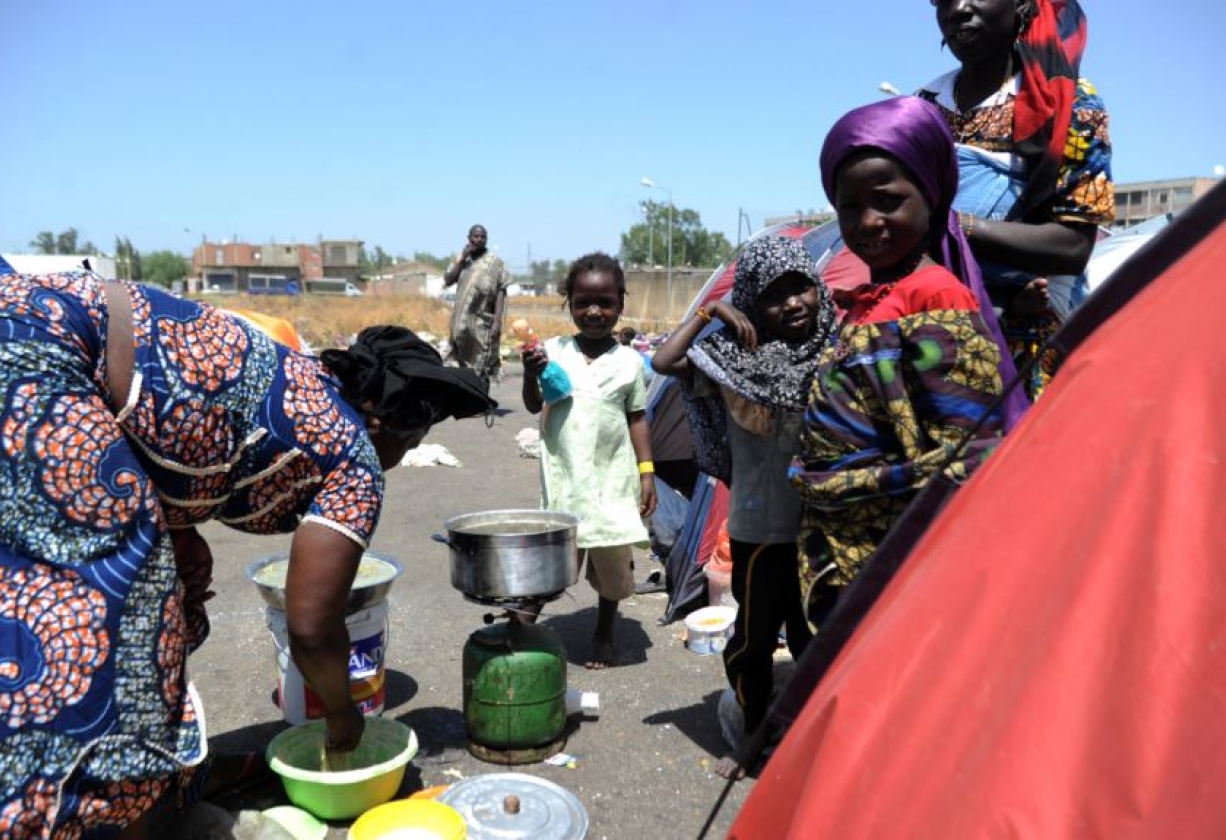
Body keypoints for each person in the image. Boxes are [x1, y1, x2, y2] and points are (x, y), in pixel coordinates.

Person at [0, 269, 494, 837]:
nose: (401, 460)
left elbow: (182, 418)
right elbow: (311, 624)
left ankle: (172, 779)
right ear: (380, 420)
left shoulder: (304, 378)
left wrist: (179, 527)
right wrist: (342, 715)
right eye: (407, 445)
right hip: (41, 361)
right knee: (99, 628)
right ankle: (86, 811)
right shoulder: (355, 453)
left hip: (34, 323)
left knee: (161, 596)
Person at [791, 96, 1011, 635]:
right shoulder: (871, 298)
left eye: (887, 201)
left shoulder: (935, 296)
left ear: (931, 199)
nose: (868, 221)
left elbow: (968, 454)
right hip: (850, 550)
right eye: (849, 207)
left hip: (893, 557)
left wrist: (847, 486)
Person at [651, 235, 836, 779]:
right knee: (752, 641)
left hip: (822, 529)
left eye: (801, 287)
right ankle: (754, 739)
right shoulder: (732, 359)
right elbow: (665, 359)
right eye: (775, 295)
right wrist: (710, 310)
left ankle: (823, 734)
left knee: (815, 637)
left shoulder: (836, 348)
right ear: (753, 300)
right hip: (758, 528)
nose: (794, 304)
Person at [917, 0, 1114, 398]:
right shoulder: (924, 106)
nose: (958, 9)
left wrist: (959, 226)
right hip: (936, 337)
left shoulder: (1069, 103)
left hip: (1026, 350)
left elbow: (1073, 246)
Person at [520, 252, 657, 669]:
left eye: (605, 303)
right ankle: (521, 628)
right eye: (583, 302)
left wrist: (646, 472)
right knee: (556, 557)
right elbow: (532, 405)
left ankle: (604, 630)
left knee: (611, 560)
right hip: (566, 475)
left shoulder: (631, 363)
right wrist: (530, 373)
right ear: (568, 302)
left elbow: (637, 418)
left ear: (620, 304)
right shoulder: (552, 352)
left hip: (613, 478)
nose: (594, 312)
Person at [443, 224, 512, 382]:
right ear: (469, 238)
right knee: (458, 361)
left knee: (482, 360)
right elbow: (448, 279)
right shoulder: (462, 260)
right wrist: (462, 260)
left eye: (483, 237)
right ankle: (466, 399)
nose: (479, 240)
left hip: (482, 321)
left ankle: (483, 399)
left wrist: (497, 321)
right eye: (476, 236)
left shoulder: (495, 263)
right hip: (460, 321)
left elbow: (501, 290)